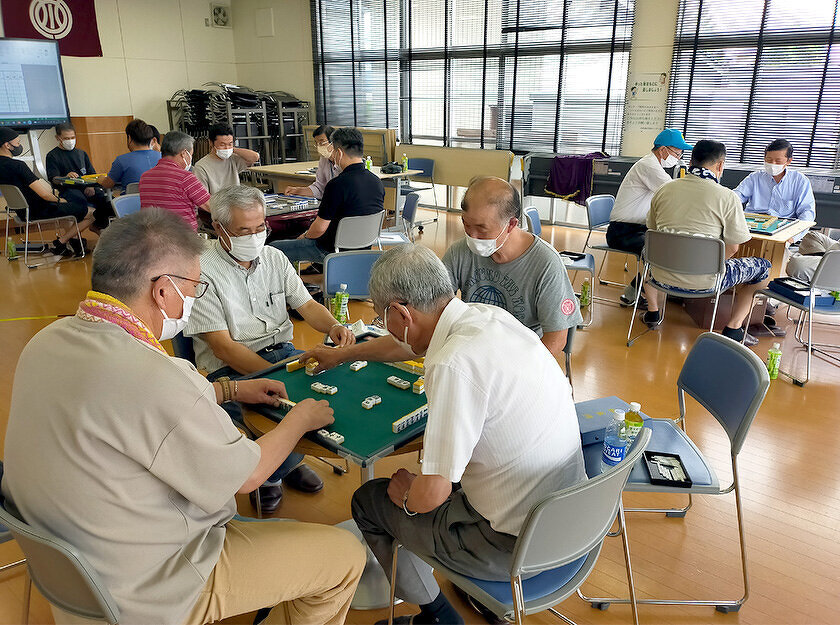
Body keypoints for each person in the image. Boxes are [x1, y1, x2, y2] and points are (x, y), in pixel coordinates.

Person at [1, 207, 365, 625]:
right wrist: (298, 419)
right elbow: (246, 476)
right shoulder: (154, 378)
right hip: (148, 585)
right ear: (162, 291)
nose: (195, 297)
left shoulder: (48, 340)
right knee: (344, 557)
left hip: (72, 569)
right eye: (194, 286)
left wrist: (229, 388)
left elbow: (126, 407)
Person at [299, 244, 585, 625]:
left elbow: (432, 495)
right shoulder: (489, 317)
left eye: (383, 318)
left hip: (515, 548)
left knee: (370, 500)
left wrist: (408, 500)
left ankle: (437, 616)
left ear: (401, 313)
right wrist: (344, 355)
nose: (385, 327)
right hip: (574, 517)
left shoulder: (454, 362)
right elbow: (409, 344)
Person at [185, 185, 356, 512]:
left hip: (283, 353)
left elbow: (307, 305)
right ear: (219, 229)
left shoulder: (275, 257)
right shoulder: (202, 269)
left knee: (327, 392)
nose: (255, 236)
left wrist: (333, 325)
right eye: (244, 230)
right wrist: (282, 376)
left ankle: (285, 463)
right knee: (286, 403)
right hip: (230, 368)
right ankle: (272, 474)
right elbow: (224, 348)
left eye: (260, 227)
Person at [647, 139, 771, 345]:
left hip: (659, 275)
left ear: (692, 160)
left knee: (647, 251)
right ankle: (734, 328)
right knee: (763, 268)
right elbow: (733, 247)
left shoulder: (664, 189)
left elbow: (652, 231)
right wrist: (709, 264)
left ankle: (653, 311)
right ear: (720, 165)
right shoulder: (727, 197)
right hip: (707, 281)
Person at [442, 176, 582, 357]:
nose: (472, 236)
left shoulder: (545, 263)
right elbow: (436, 304)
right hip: (473, 349)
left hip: (522, 355)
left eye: (481, 228)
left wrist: (515, 372)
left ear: (511, 225)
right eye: (466, 224)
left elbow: (556, 339)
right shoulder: (460, 252)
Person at [271, 127, 384, 265]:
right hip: (364, 248)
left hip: (330, 250)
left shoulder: (337, 185)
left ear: (339, 153)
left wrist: (304, 236)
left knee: (273, 248)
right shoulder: (377, 182)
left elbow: (319, 229)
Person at [606, 128, 693, 307]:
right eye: (677, 153)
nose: (679, 158)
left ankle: (657, 286)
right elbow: (673, 192)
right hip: (623, 231)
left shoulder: (654, 165)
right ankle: (636, 292)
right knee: (661, 251)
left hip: (635, 228)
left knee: (671, 245)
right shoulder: (649, 166)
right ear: (663, 150)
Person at [0, 126, 94, 256]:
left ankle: (72, 243)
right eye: (18, 143)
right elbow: (44, 194)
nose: (19, 145)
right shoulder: (18, 166)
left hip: (22, 212)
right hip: (39, 210)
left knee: (68, 214)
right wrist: (60, 200)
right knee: (91, 213)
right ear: (7, 145)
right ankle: (61, 242)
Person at [45, 122, 112, 234]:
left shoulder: (81, 154)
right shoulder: (52, 156)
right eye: (66, 138)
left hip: (86, 188)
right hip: (67, 190)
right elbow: (53, 178)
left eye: (72, 137)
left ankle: (98, 226)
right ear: (58, 138)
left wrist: (91, 187)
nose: (70, 141)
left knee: (106, 199)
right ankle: (75, 237)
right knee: (79, 200)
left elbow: (92, 174)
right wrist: (65, 177)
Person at [139, 131, 211, 230]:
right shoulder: (186, 178)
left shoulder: (145, 177)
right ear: (184, 154)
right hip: (182, 239)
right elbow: (210, 206)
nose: (190, 160)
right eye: (191, 155)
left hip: (151, 238)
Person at [734, 139, 816, 222]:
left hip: (782, 226)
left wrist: (794, 233)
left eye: (778, 161)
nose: (773, 164)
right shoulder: (755, 177)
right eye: (769, 160)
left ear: (789, 161)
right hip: (752, 222)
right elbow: (736, 196)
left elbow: (807, 212)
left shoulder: (799, 181)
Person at [192, 123, 260, 194]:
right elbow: (203, 200)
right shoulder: (201, 167)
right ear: (211, 143)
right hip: (216, 203)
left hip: (235, 201)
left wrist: (232, 149)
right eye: (222, 144)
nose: (226, 148)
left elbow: (255, 157)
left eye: (230, 143)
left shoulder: (232, 158)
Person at [97, 118, 161, 190]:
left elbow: (108, 184)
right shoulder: (162, 157)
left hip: (132, 201)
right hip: (159, 199)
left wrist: (100, 179)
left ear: (129, 138)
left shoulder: (121, 160)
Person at [284, 125, 339, 199]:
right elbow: (319, 188)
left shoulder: (343, 160)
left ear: (333, 142)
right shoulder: (324, 159)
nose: (319, 146)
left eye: (322, 142)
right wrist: (297, 190)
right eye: (316, 143)